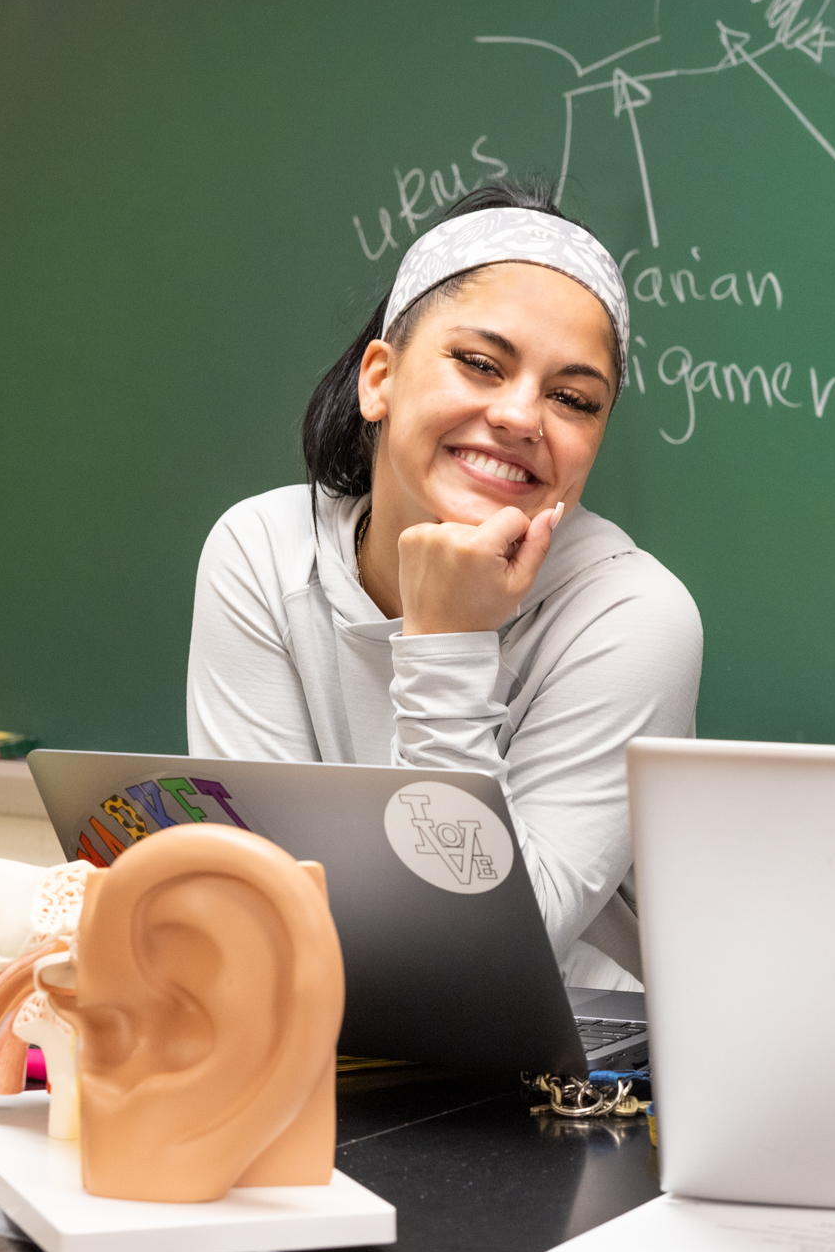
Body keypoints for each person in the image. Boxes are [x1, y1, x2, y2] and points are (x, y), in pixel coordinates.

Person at [188, 180, 701, 992]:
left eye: (573, 398)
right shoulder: (259, 554)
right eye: (479, 363)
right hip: (329, 1059)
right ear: (379, 379)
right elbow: (257, 909)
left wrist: (447, 642)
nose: (522, 416)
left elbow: (477, 955)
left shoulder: (636, 616)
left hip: (571, 1091)